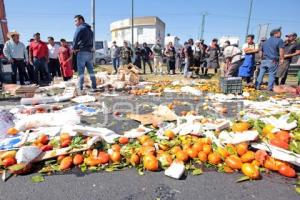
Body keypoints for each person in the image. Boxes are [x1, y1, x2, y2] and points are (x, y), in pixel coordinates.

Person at [73, 15, 96, 91]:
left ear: (81, 20)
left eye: (76, 21)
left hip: (82, 52)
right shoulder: (90, 30)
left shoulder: (80, 28)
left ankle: (80, 88)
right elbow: (91, 41)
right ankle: (94, 86)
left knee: (81, 71)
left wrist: (74, 48)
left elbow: (75, 38)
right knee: (91, 70)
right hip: (89, 52)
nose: (75, 23)